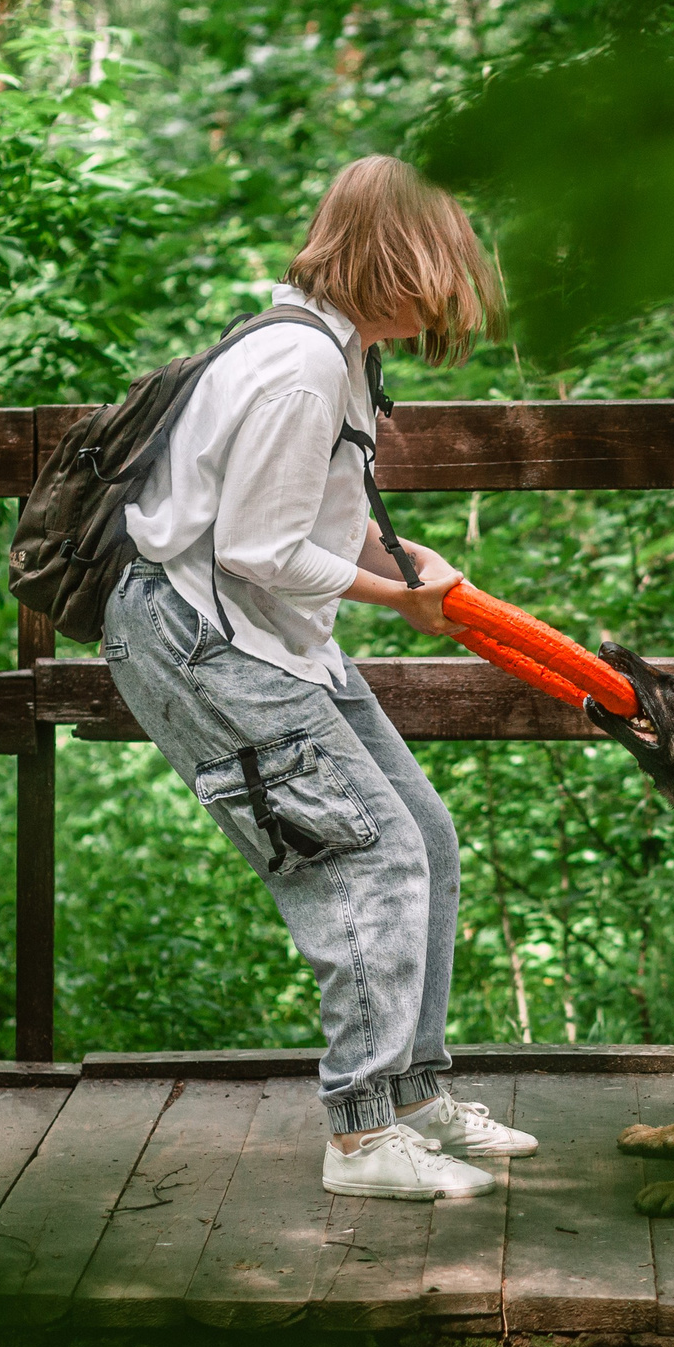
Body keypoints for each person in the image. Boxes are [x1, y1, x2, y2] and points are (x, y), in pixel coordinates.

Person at [102, 155, 536, 1200]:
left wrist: (408, 565)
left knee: (422, 833)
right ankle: (358, 1135)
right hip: (207, 642)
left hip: (269, 631)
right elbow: (256, 546)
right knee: (371, 861)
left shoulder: (329, 355)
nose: (441, 303)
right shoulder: (299, 366)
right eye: (432, 277)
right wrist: (402, 603)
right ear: (390, 265)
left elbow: (299, 524)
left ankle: (413, 1095)